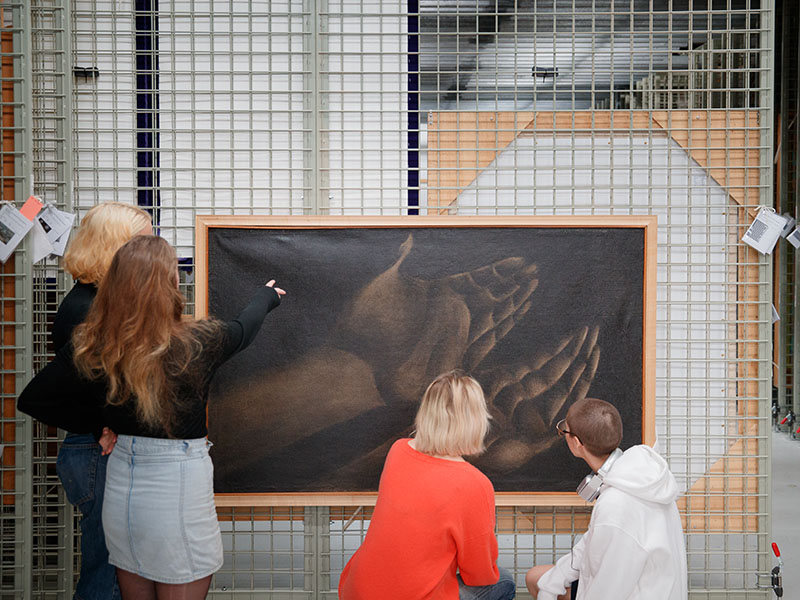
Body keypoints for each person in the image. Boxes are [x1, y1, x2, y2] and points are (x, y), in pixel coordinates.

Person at [19, 235, 285, 599]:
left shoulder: (93, 345)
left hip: (122, 487)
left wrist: (99, 425)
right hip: (177, 486)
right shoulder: (196, 343)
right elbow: (243, 330)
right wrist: (266, 297)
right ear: (169, 284)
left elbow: (34, 399)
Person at [338, 370, 516, 600]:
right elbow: (479, 575)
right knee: (505, 581)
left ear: (427, 413)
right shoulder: (474, 484)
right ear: (476, 420)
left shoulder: (399, 450)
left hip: (357, 590)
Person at [54, 202, 152, 600]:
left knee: (113, 568)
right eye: (142, 242)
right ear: (117, 246)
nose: (150, 251)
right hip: (99, 451)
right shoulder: (89, 309)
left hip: (97, 450)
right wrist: (104, 425)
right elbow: (97, 387)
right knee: (108, 575)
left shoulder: (95, 303)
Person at [525, 397, 688, 600]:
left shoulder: (615, 504)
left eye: (564, 431)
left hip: (634, 591)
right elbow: (591, 543)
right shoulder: (641, 478)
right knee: (539, 579)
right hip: (650, 585)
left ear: (576, 443)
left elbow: (608, 589)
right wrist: (551, 586)